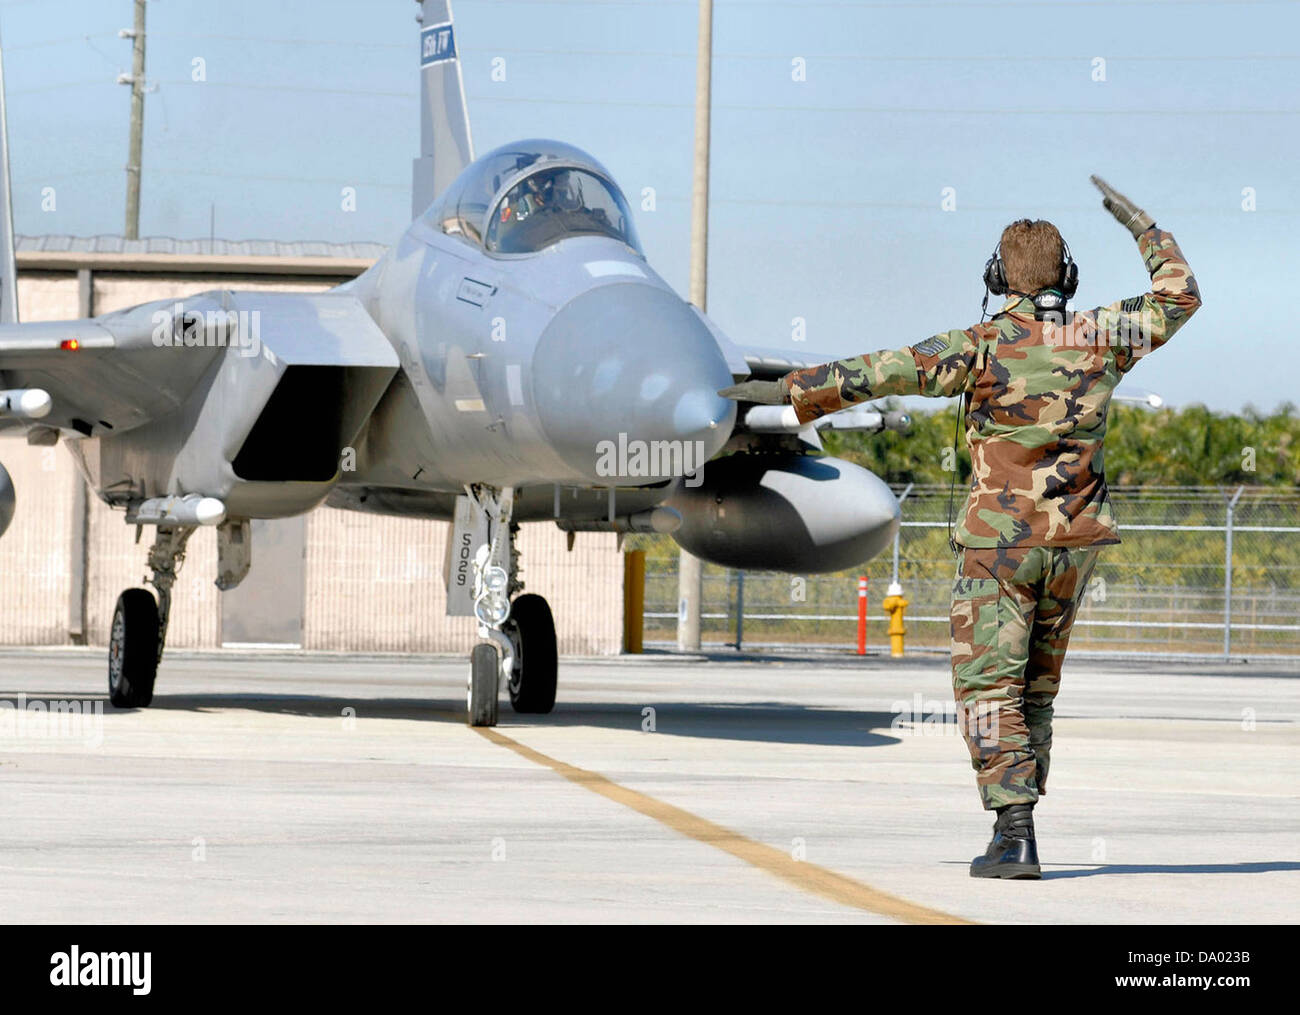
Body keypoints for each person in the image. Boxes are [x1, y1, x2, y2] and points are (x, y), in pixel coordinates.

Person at [720, 176, 1201, 879]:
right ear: (1067, 278)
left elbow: (885, 369)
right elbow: (1180, 295)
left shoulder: (979, 345)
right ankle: (1023, 815)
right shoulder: (1101, 336)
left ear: (995, 277)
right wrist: (1140, 223)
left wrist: (795, 391)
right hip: (1074, 546)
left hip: (1000, 549)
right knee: (1035, 689)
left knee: (985, 689)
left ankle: (1014, 829)